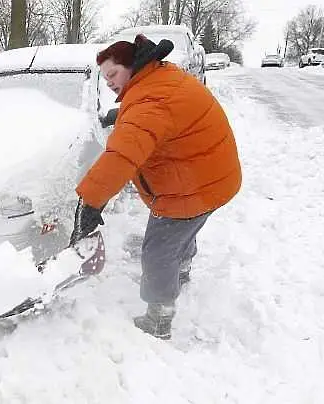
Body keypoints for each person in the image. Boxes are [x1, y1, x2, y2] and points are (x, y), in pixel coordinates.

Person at [69, 34, 242, 340]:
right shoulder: (160, 78)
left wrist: (90, 203)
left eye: (112, 75)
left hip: (193, 187)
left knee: (158, 251)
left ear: (131, 67)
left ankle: (159, 317)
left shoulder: (149, 101)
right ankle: (183, 269)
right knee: (182, 233)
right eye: (104, 76)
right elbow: (154, 114)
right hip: (213, 178)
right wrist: (120, 114)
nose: (108, 83)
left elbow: (121, 157)